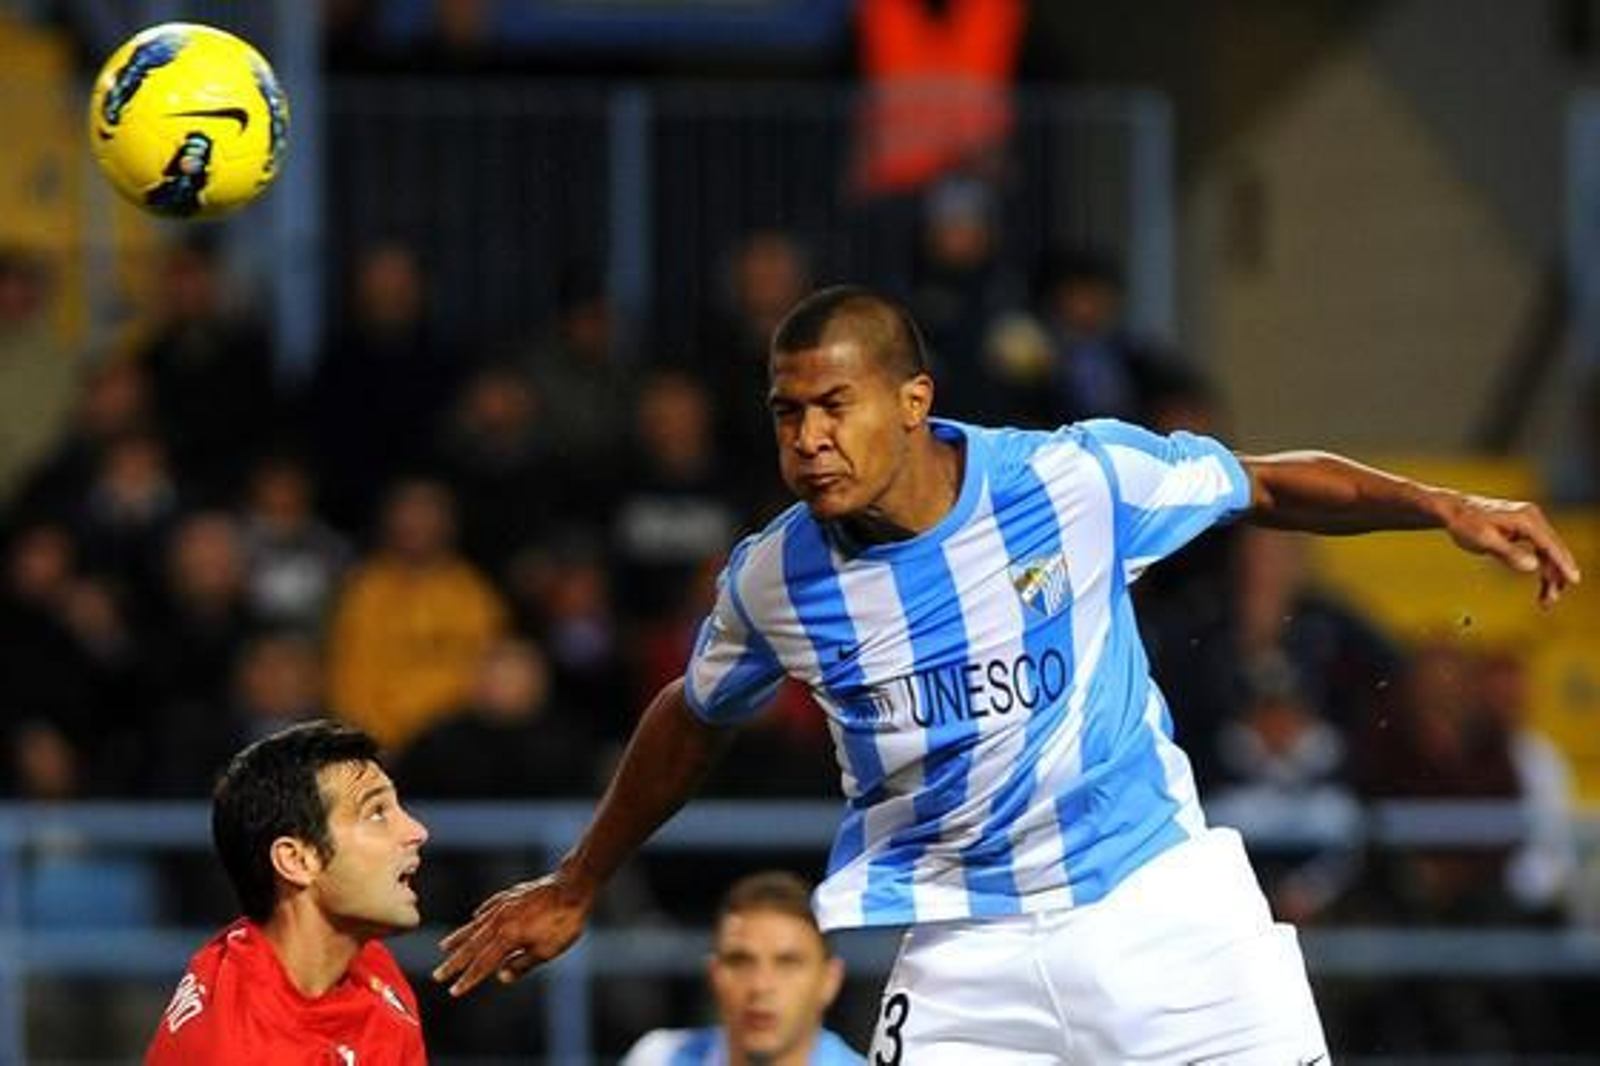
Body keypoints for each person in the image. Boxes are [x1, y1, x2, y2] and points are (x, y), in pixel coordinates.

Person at [434, 285, 1581, 1062]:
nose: (808, 439)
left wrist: (1442, 506)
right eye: (786, 414)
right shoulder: (774, 576)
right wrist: (579, 878)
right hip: (963, 948)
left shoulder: (1069, 482)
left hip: (1158, 910)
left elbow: (1265, 483)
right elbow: (693, 714)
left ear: (912, 401)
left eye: (834, 406)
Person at [146, 719, 429, 1063]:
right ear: (296, 860)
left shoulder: (364, 958)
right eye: (376, 814)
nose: (417, 831)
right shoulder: (241, 1049)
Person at [621, 870, 863, 1066]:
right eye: (739, 961)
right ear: (713, 974)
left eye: (787, 963)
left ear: (830, 980)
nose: (760, 986)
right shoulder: (657, 1058)